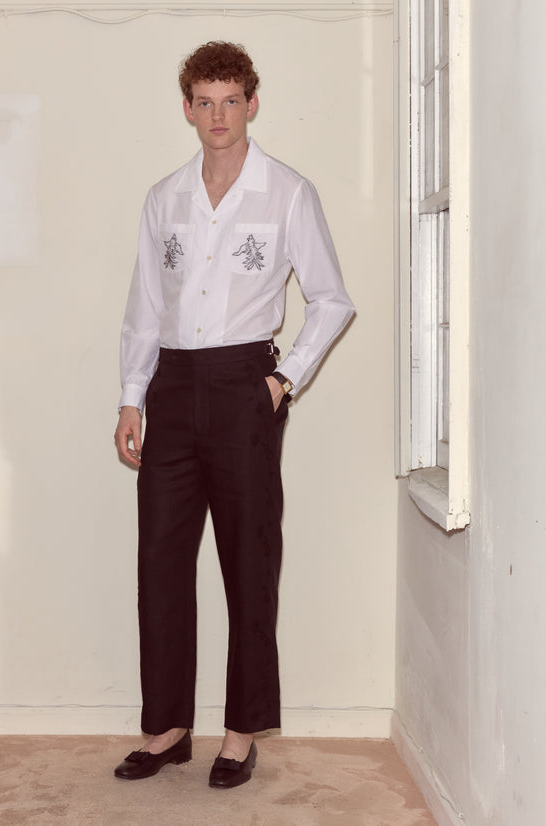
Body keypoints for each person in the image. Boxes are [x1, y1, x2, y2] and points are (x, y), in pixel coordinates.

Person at [113, 41, 354, 788]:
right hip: (173, 391)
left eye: (231, 100)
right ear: (187, 108)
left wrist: (283, 380)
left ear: (252, 103)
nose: (217, 115)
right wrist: (131, 394)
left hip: (247, 384)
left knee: (249, 561)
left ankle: (241, 729)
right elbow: (146, 308)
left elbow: (331, 299)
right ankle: (168, 728)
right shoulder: (165, 198)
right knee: (161, 560)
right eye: (204, 101)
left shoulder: (286, 192)